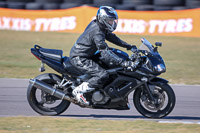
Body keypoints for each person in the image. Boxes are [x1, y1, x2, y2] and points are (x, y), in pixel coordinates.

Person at [69, 6, 137, 105]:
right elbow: (104, 52)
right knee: (102, 74)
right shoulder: (97, 32)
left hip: (87, 55)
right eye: (110, 20)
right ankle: (78, 91)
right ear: (103, 19)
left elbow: (111, 37)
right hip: (80, 57)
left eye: (113, 20)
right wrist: (123, 63)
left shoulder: (100, 26)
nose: (112, 23)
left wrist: (128, 46)